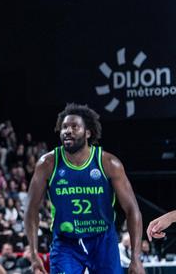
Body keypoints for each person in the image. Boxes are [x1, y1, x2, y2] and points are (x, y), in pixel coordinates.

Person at [25, 103, 145, 274]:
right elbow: (31, 209)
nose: (67, 131)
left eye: (75, 127)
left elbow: (132, 210)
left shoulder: (109, 163)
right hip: (66, 242)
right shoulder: (47, 164)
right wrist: (34, 252)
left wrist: (136, 257)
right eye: (64, 127)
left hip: (103, 241)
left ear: (88, 133)